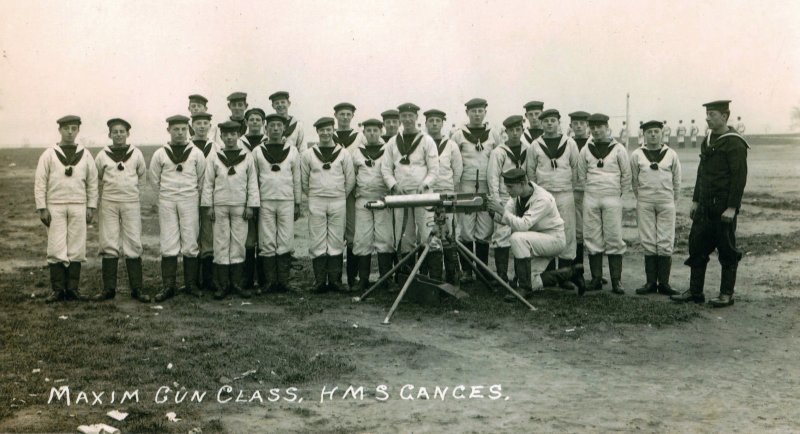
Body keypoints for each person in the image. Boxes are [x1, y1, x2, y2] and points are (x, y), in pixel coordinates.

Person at [672, 100, 749, 308]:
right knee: (697, 247)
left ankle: (726, 294)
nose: (707, 118)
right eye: (707, 113)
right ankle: (695, 291)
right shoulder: (707, 139)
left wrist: (732, 207)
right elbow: (701, 173)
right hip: (704, 207)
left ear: (725, 116)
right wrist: (696, 200)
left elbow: (739, 178)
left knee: (727, 250)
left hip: (723, 208)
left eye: (712, 114)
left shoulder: (735, 143)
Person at [35, 115, 98, 302]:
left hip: (79, 204)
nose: (70, 132)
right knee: (56, 246)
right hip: (55, 205)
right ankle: (57, 290)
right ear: (59, 130)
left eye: (73, 128)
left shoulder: (85, 154)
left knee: (77, 247)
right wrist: (42, 208)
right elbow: (40, 182)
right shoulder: (49, 154)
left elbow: (93, 182)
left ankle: (72, 289)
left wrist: (91, 206)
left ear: (78, 130)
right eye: (66, 129)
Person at [486, 168, 571, 299]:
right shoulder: (516, 196)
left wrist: (501, 210)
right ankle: (570, 273)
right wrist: (491, 211)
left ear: (523, 183)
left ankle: (524, 289)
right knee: (528, 279)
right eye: (506, 187)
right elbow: (506, 219)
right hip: (537, 240)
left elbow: (522, 225)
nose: (507, 190)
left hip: (554, 240)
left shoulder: (542, 198)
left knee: (516, 238)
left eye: (510, 187)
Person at [149, 115, 207, 302]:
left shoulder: (196, 153)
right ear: (169, 130)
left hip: (189, 199)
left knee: (190, 241)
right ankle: (169, 286)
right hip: (167, 200)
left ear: (188, 130)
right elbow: (154, 179)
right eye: (176, 129)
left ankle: (191, 284)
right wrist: (166, 195)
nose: (180, 133)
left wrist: (192, 196)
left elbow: (201, 178)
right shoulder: (160, 153)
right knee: (169, 241)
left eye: (183, 129)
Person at [92, 118, 149, 302]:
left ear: (128, 134)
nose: (118, 135)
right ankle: (109, 289)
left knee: (133, 242)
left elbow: (142, 176)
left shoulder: (136, 153)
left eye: (122, 131)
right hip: (109, 201)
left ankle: (137, 289)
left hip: (131, 201)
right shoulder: (102, 155)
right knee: (109, 242)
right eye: (115, 132)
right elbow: (97, 177)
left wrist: (136, 196)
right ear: (109, 134)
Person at [201, 121, 259, 299]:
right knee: (220, 243)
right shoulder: (215, 157)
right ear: (222, 136)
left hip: (240, 207)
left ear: (238, 136)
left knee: (238, 243)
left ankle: (237, 283)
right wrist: (209, 206)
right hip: (220, 206)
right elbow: (208, 183)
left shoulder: (247, 156)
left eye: (233, 134)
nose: (230, 138)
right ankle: (223, 284)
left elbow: (252, 183)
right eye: (226, 135)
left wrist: (250, 205)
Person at [525, 109, 581, 291]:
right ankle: (548, 275)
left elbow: (575, 168)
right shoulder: (535, 145)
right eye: (546, 121)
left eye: (553, 120)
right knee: (545, 231)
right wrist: (538, 192)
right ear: (541, 124)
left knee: (567, 232)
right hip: (544, 195)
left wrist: (568, 187)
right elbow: (531, 171)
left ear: (559, 122)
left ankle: (565, 275)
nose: (549, 123)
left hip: (565, 193)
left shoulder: (570, 143)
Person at [381, 103, 440, 276]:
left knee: (427, 234)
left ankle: (432, 277)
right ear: (400, 118)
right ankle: (408, 277)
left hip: (423, 195)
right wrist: (394, 185)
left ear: (416, 118)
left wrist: (425, 184)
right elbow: (386, 169)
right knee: (405, 237)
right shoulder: (392, 142)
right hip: (402, 195)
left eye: (410, 116)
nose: (407, 120)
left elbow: (434, 169)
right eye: (404, 116)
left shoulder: (427, 140)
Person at [577, 113, 631, 294]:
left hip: (612, 197)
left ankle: (616, 281)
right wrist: (591, 190)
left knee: (614, 236)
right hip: (592, 197)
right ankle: (596, 279)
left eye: (599, 127)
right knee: (592, 237)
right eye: (592, 128)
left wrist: (617, 193)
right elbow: (581, 173)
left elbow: (626, 175)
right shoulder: (586, 148)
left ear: (607, 127)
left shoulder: (618, 148)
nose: (596, 131)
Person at [301, 117, 355, 293]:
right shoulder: (309, 154)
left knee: (336, 239)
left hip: (338, 200)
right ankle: (319, 282)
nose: (325, 133)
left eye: (328, 129)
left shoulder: (344, 153)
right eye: (321, 130)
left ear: (333, 130)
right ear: (317, 132)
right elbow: (304, 181)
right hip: (317, 200)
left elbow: (350, 179)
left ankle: (335, 281)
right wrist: (315, 195)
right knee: (317, 239)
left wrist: (339, 195)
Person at [450, 98, 502, 281]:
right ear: (467, 113)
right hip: (466, 184)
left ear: (485, 112)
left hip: (486, 185)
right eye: (473, 111)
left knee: (484, 228)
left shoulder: (493, 134)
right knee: (466, 227)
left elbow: (499, 159)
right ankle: (467, 271)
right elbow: (453, 160)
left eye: (480, 111)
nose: (477, 114)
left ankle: (482, 270)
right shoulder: (458, 135)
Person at [630, 120, 681, 296]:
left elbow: (677, 180)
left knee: (665, 240)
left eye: (656, 132)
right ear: (644, 134)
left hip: (666, 201)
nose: (653, 135)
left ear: (662, 133)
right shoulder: (637, 154)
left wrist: (671, 199)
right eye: (649, 132)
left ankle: (664, 283)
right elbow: (634, 180)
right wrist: (642, 197)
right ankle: (651, 282)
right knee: (648, 239)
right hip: (645, 201)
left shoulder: (671, 154)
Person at [253, 113, 302, 293]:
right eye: (271, 126)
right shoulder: (258, 151)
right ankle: (269, 282)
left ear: (284, 129)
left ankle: (284, 281)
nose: (275, 129)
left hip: (286, 200)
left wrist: (297, 203)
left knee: (286, 239)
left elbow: (297, 179)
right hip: (265, 200)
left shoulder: (293, 151)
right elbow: (254, 180)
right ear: (266, 128)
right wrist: (254, 203)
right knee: (266, 241)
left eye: (279, 126)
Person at [351, 118, 394, 290]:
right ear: (364, 133)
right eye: (368, 130)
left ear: (381, 131)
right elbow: (352, 176)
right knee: (362, 238)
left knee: (385, 238)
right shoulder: (357, 152)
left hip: (382, 199)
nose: (372, 133)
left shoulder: (388, 150)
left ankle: (385, 278)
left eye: (375, 130)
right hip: (363, 199)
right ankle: (363, 279)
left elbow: (392, 172)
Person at [488, 115, 529, 286]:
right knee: (502, 235)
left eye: (517, 130)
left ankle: (520, 276)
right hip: (505, 197)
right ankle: (502, 276)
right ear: (506, 132)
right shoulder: (499, 151)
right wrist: (496, 202)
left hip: (522, 197)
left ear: (522, 130)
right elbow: (493, 177)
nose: (514, 133)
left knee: (521, 235)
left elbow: (530, 174)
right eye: (511, 130)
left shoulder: (528, 149)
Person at [332, 102, 367, 289]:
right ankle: (334, 278)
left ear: (353, 116)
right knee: (335, 233)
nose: (345, 117)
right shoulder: (330, 134)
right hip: (334, 191)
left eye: (348, 114)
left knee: (353, 234)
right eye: (341, 114)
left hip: (353, 191)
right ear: (335, 115)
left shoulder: (359, 137)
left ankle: (352, 277)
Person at [425, 109, 463, 283]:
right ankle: (433, 276)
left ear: (442, 124)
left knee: (449, 234)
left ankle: (452, 275)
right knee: (429, 232)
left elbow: (458, 170)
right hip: (429, 192)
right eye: (431, 120)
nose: (434, 123)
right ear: (426, 123)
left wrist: (449, 188)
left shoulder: (451, 145)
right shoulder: (422, 142)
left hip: (447, 191)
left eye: (437, 121)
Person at [238, 107, 267, 290]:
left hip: (266, 195)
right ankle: (247, 278)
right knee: (248, 239)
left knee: (264, 237)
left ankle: (264, 279)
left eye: (258, 119)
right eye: (252, 119)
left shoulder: (269, 141)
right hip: (245, 195)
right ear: (246, 122)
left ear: (263, 123)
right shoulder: (240, 142)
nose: (255, 122)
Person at [190, 112, 218, 294]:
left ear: (210, 126)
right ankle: (192, 280)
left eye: (205, 123)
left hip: (210, 197)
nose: (201, 126)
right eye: (198, 123)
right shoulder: (187, 146)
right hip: (190, 197)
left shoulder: (216, 146)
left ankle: (207, 279)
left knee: (208, 237)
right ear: (192, 126)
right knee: (191, 235)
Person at [568, 111, 591, 290]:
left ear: (587, 125)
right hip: (573, 191)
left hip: (591, 191)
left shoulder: (594, 143)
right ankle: (575, 272)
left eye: (582, 123)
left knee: (591, 231)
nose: (578, 126)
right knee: (576, 231)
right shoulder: (568, 143)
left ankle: (594, 274)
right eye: (575, 123)